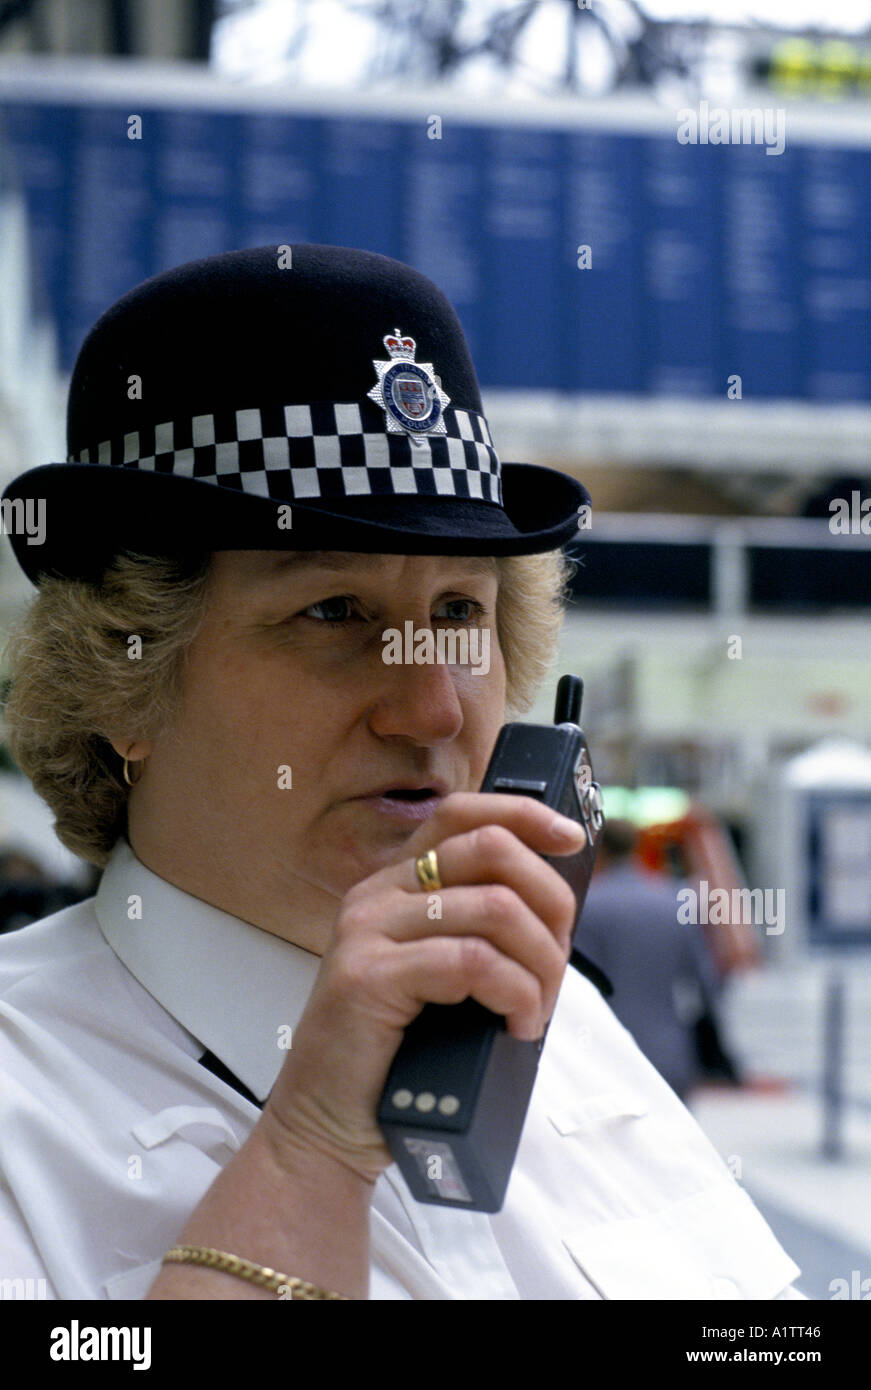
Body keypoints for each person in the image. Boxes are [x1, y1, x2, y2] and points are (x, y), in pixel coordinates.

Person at [0, 244, 804, 1300]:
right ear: (121, 680)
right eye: (333, 612)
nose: (431, 708)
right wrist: (312, 1150)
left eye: (459, 612)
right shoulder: (23, 1106)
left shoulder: (561, 1016)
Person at [571, 819, 728, 1106]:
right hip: (670, 1052)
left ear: (599, 850)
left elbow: (576, 984)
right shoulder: (674, 901)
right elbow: (706, 980)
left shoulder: (588, 905)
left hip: (605, 1053)